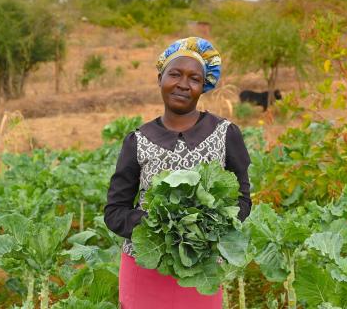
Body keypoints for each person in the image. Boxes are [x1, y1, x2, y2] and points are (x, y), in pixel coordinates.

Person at [104, 37, 252, 309]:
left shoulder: (225, 134)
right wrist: (158, 225)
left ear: (203, 87)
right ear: (160, 78)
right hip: (144, 264)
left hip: (202, 266)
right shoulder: (137, 140)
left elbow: (242, 201)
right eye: (175, 74)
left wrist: (201, 228)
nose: (183, 84)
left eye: (194, 78)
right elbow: (114, 212)